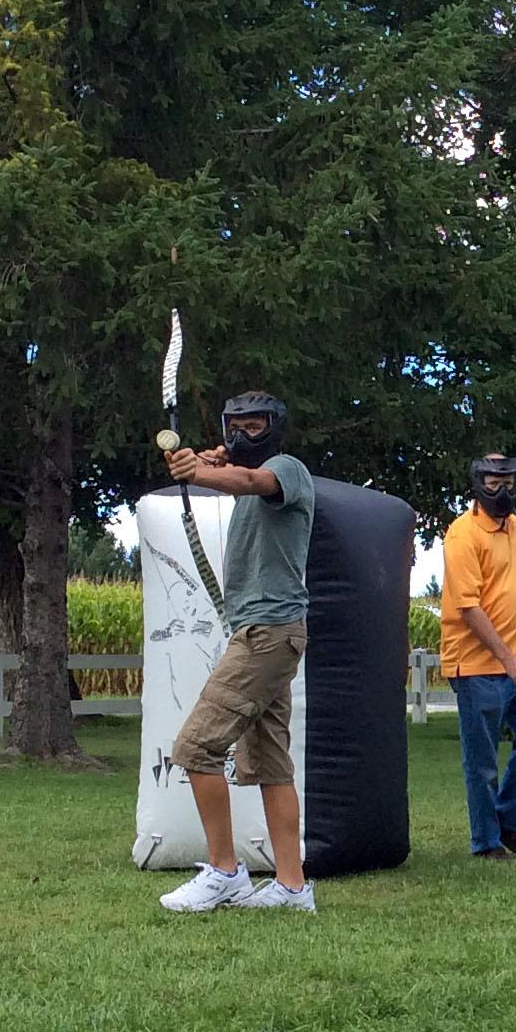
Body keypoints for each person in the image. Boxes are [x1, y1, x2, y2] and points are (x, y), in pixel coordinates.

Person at [157, 391, 318, 913]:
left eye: (256, 426)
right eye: (236, 427)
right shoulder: (241, 479)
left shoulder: (286, 470)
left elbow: (253, 480)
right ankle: (292, 888)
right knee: (273, 765)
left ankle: (226, 872)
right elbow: (237, 475)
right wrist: (204, 462)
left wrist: (198, 473)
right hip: (268, 632)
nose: (245, 435)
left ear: (276, 429)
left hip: (266, 636)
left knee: (196, 747)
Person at [439, 453, 516, 860]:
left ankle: (506, 818)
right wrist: (508, 660)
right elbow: (469, 607)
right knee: (482, 761)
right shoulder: (462, 534)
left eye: (507, 481)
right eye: (492, 482)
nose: (501, 489)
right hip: (479, 667)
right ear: (477, 483)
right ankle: (486, 843)